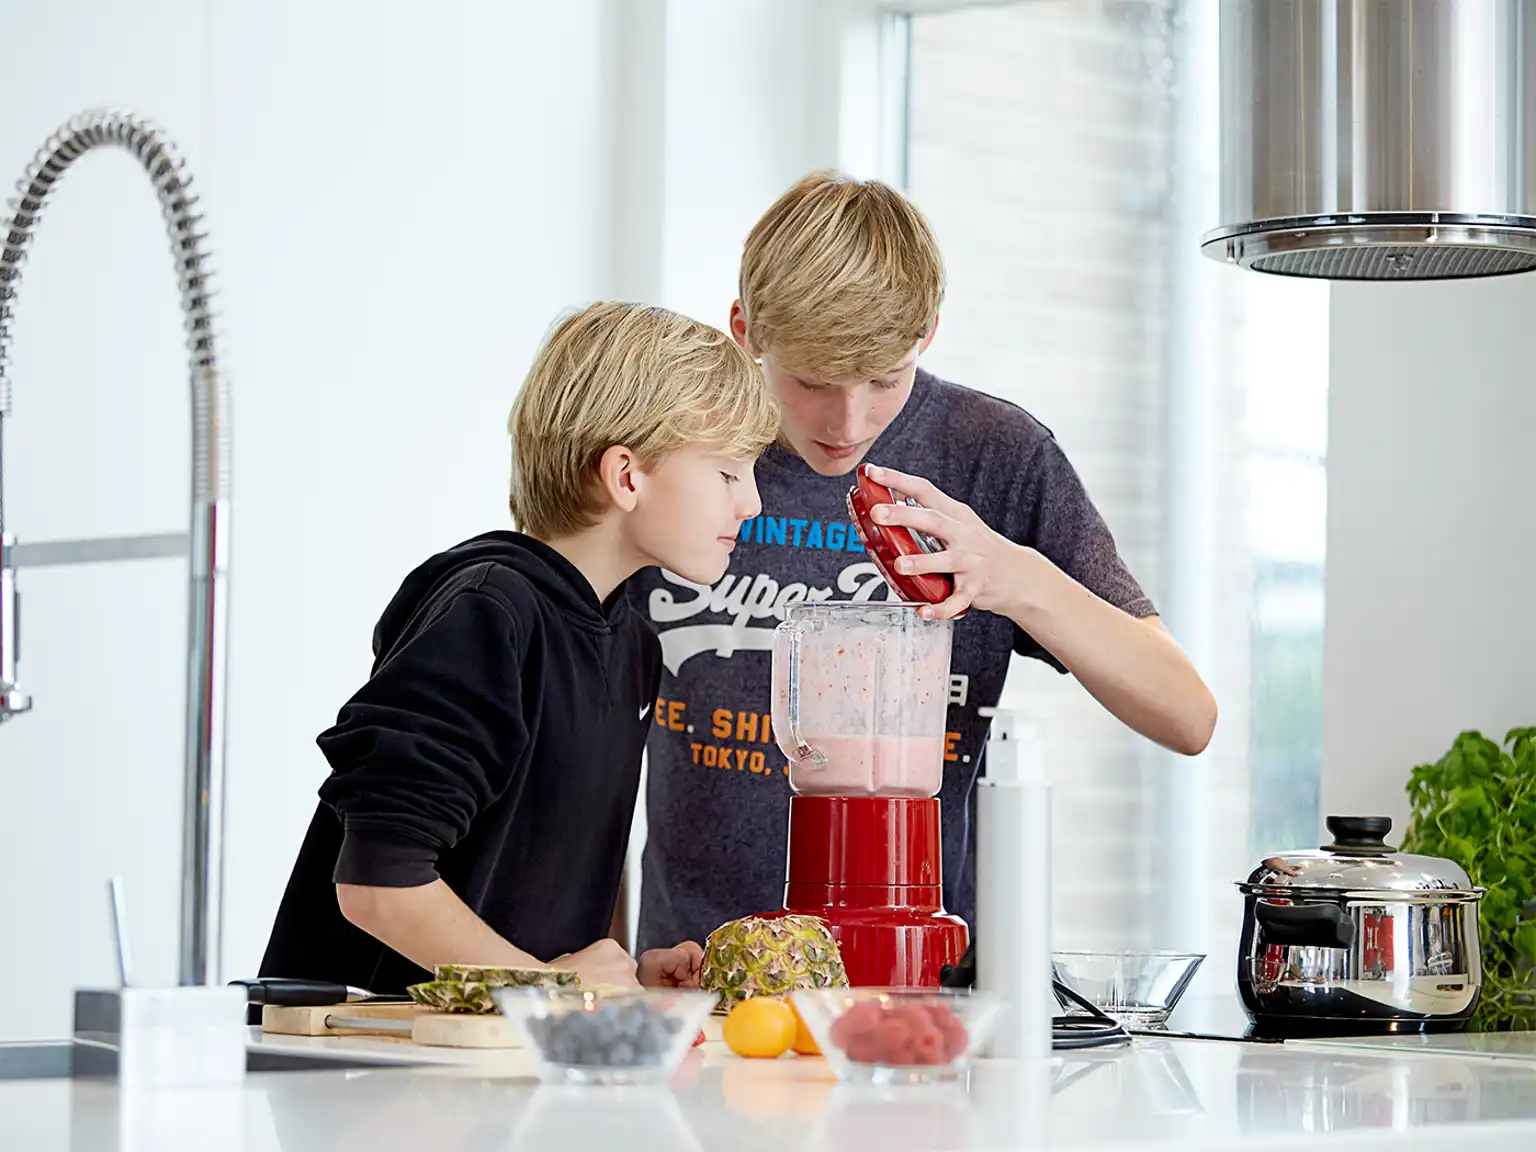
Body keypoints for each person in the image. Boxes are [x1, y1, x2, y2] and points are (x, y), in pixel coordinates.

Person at [628, 172, 1218, 955]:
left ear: (928, 333)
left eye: (884, 380)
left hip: (924, 979)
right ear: (745, 330)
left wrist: (1015, 577)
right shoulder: (677, 451)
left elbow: (1187, 715)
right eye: (811, 382)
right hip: (697, 976)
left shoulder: (995, 455)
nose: (848, 421)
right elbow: (583, 744)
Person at [260, 301, 779, 996]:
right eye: (729, 473)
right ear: (627, 476)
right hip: (362, 1055)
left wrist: (618, 980)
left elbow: (529, 914)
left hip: (491, 1049)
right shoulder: (486, 616)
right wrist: (547, 990)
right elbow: (379, 886)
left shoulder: (632, 643)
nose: (752, 503)